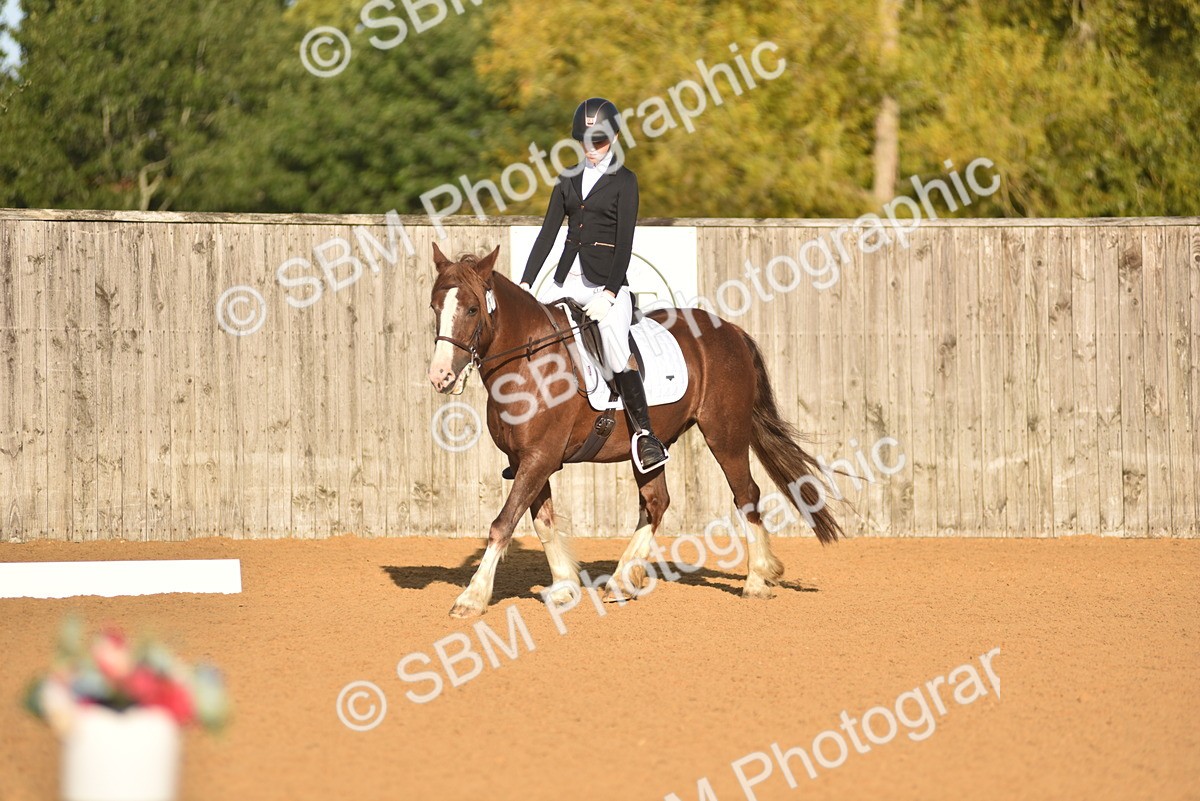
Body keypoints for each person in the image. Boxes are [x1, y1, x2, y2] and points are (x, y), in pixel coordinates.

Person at [519, 97, 669, 473]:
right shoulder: (567, 180)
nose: (590, 147)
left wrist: (611, 293)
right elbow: (547, 235)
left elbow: (625, 243)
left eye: (598, 140)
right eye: (584, 139)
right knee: (532, 333)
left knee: (617, 350)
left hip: (606, 282)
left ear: (614, 137)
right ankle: (526, 431)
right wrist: (525, 282)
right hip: (566, 278)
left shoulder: (625, 181)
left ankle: (645, 434)